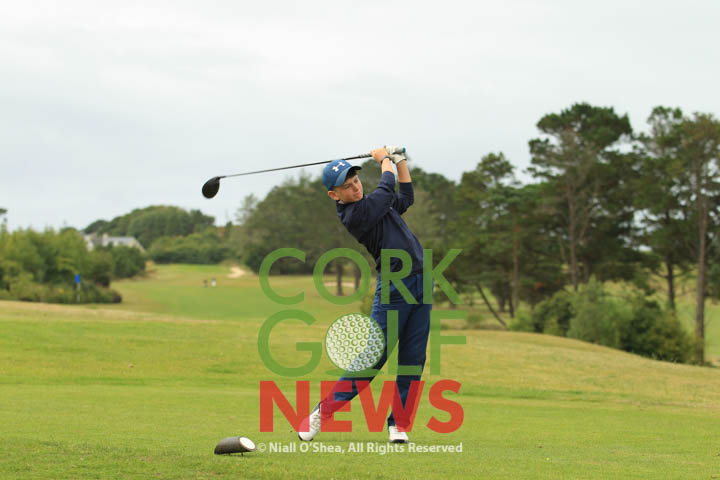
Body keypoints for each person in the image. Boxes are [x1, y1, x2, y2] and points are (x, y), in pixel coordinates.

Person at [298, 146, 431, 444]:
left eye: (356, 181)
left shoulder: (374, 204)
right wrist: (383, 160)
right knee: (374, 357)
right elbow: (387, 187)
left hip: (422, 281)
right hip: (395, 287)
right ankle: (323, 412)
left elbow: (405, 196)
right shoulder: (355, 214)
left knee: (413, 358)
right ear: (334, 195)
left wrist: (400, 161)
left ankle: (399, 424)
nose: (355, 187)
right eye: (347, 186)